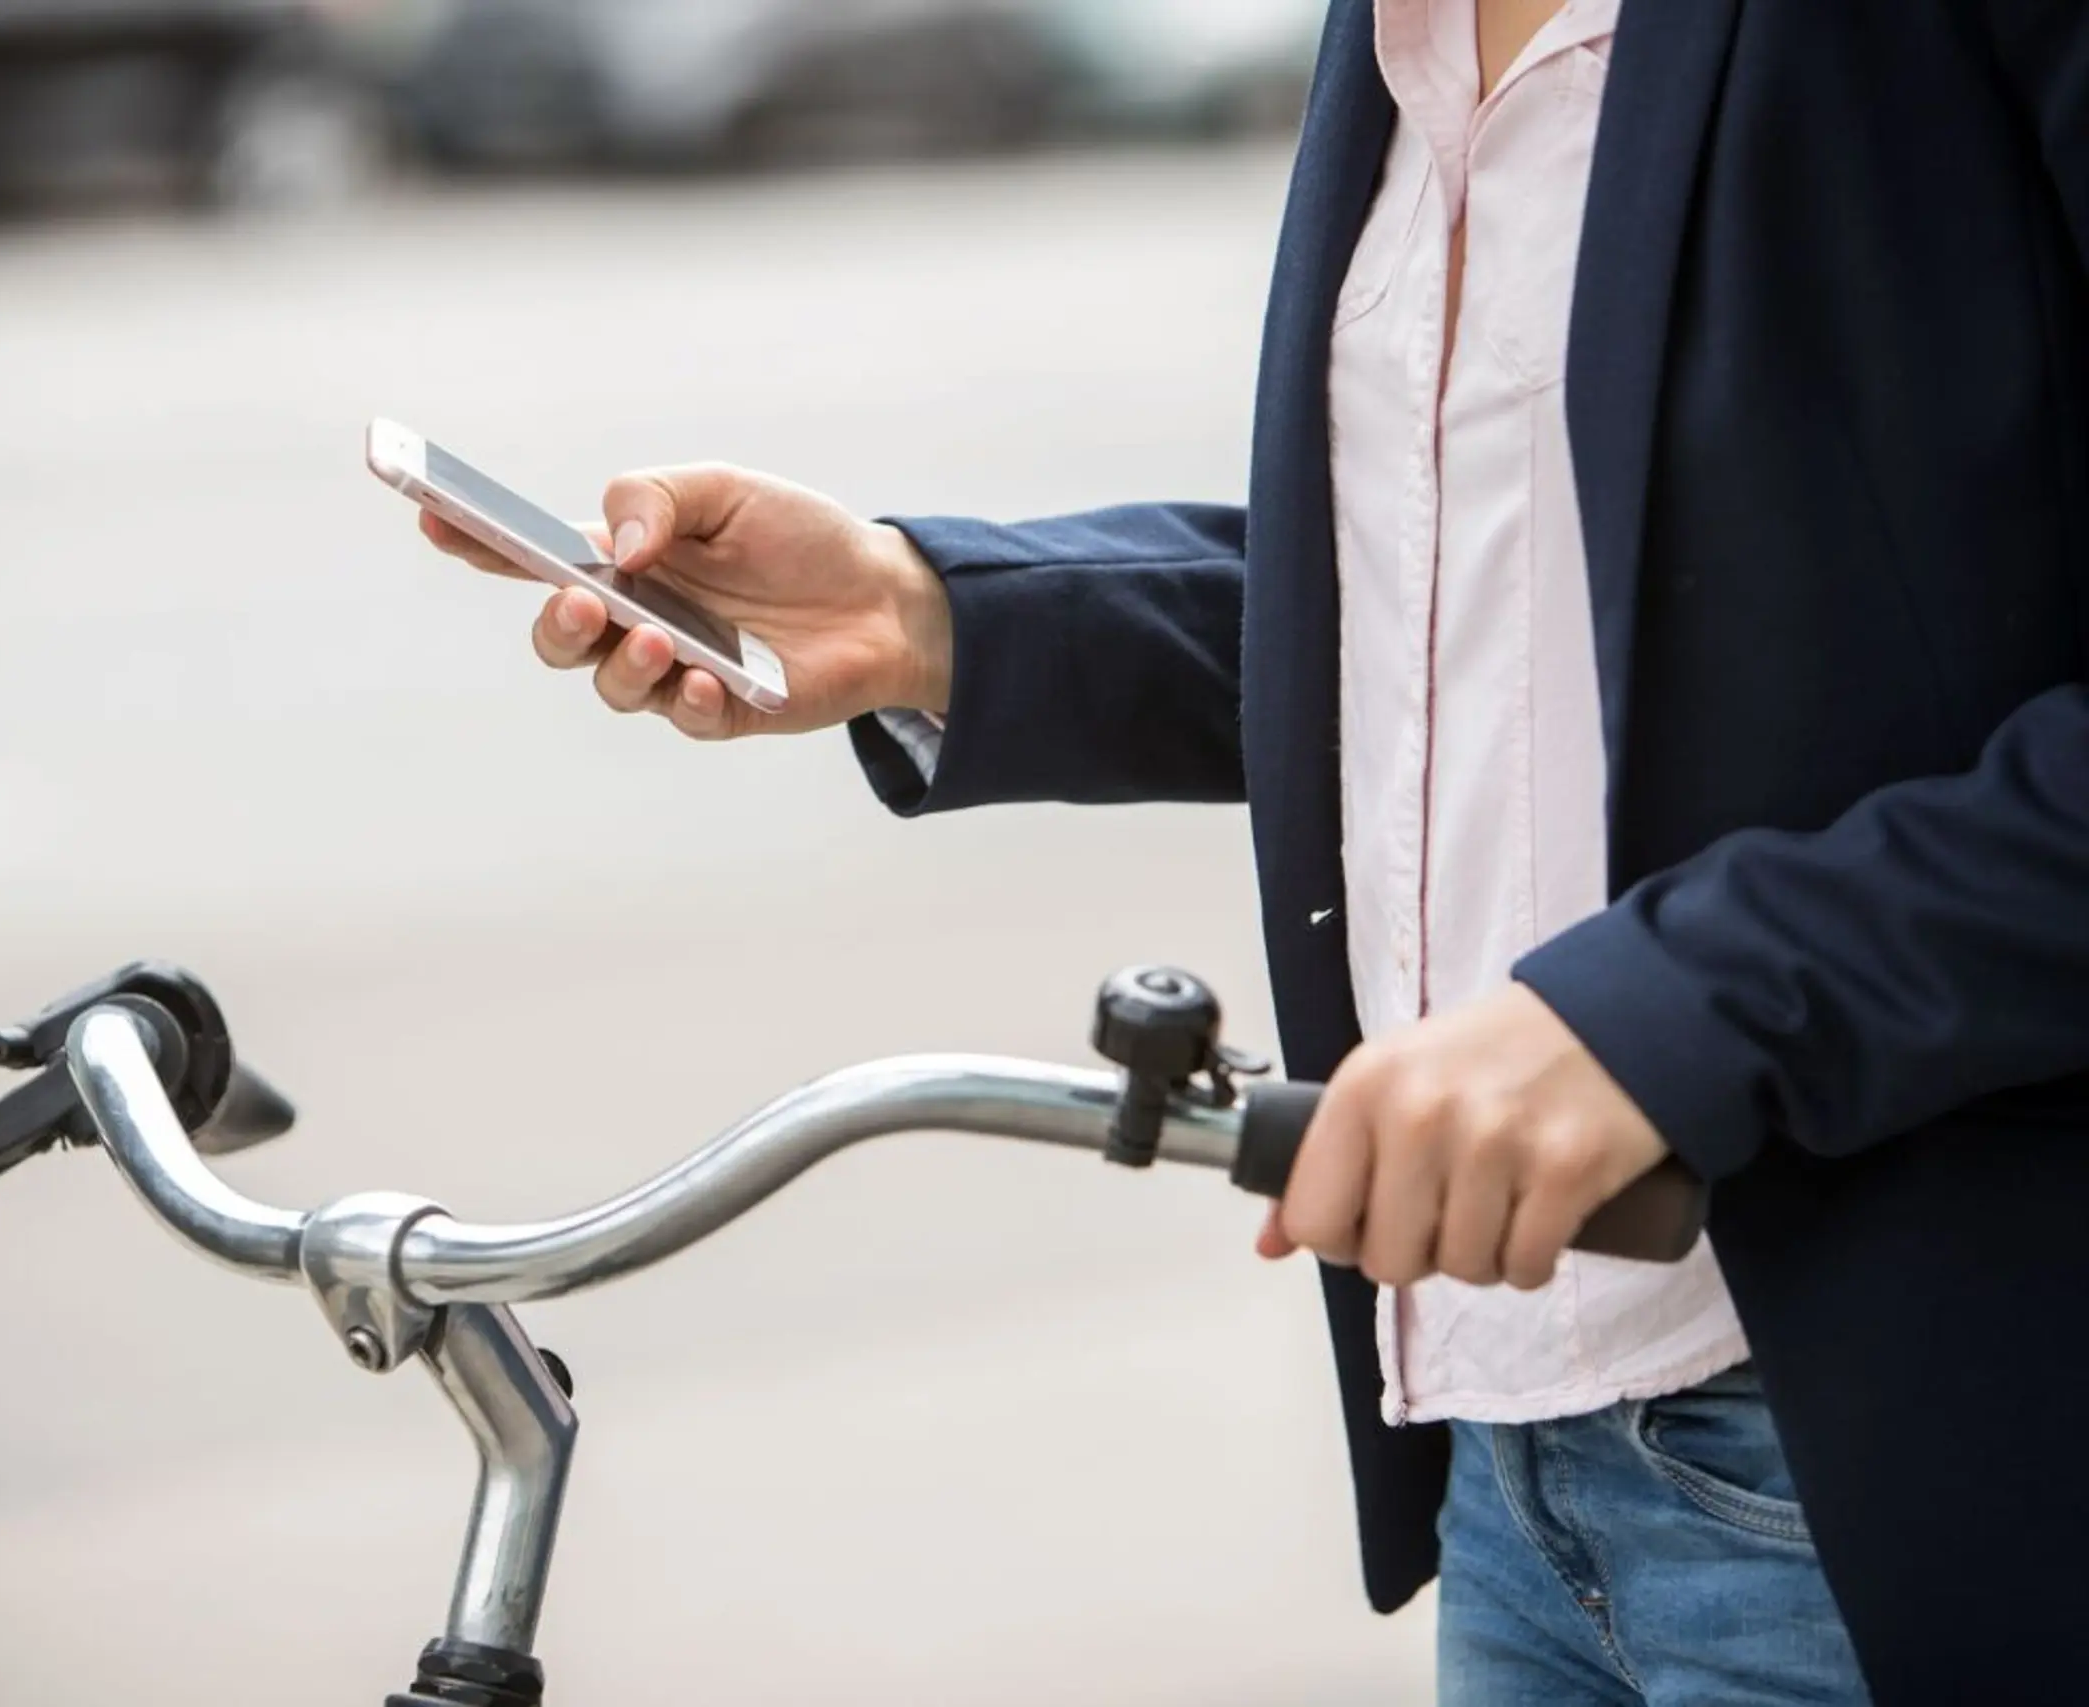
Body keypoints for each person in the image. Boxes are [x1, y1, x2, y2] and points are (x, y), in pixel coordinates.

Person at [425, 2, 2089, 1700]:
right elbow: (1482, 604)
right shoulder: (1393, 33)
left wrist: (1678, 1008)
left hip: (1885, 1475)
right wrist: (932, 615)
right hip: (1515, 1486)